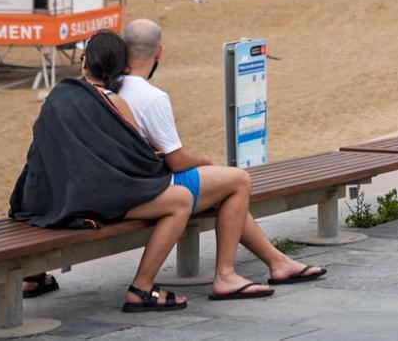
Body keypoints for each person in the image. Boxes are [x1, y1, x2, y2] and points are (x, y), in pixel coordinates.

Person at [116, 22, 325, 295]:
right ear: (160, 52)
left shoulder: (109, 88)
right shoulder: (151, 97)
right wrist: (204, 161)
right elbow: (177, 161)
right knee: (238, 180)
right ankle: (226, 275)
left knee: (225, 189)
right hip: (154, 185)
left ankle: (278, 262)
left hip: (127, 181)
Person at [10, 31, 196, 310]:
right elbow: (138, 157)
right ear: (121, 69)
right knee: (181, 200)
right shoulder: (115, 101)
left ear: (84, 62)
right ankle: (141, 289)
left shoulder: (58, 95)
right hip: (89, 201)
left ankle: (32, 278)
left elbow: (43, 151)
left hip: (44, 198)